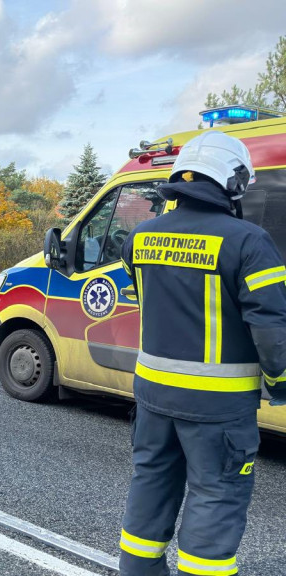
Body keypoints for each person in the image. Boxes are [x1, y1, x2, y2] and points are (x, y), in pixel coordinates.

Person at [119, 131, 286, 575]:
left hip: (153, 397)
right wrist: (281, 384)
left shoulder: (140, 238)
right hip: (218, 407)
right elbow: (271, 331)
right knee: (215, 501)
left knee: (149, 492)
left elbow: (148, 302)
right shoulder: (249, 242)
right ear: (232, 183)